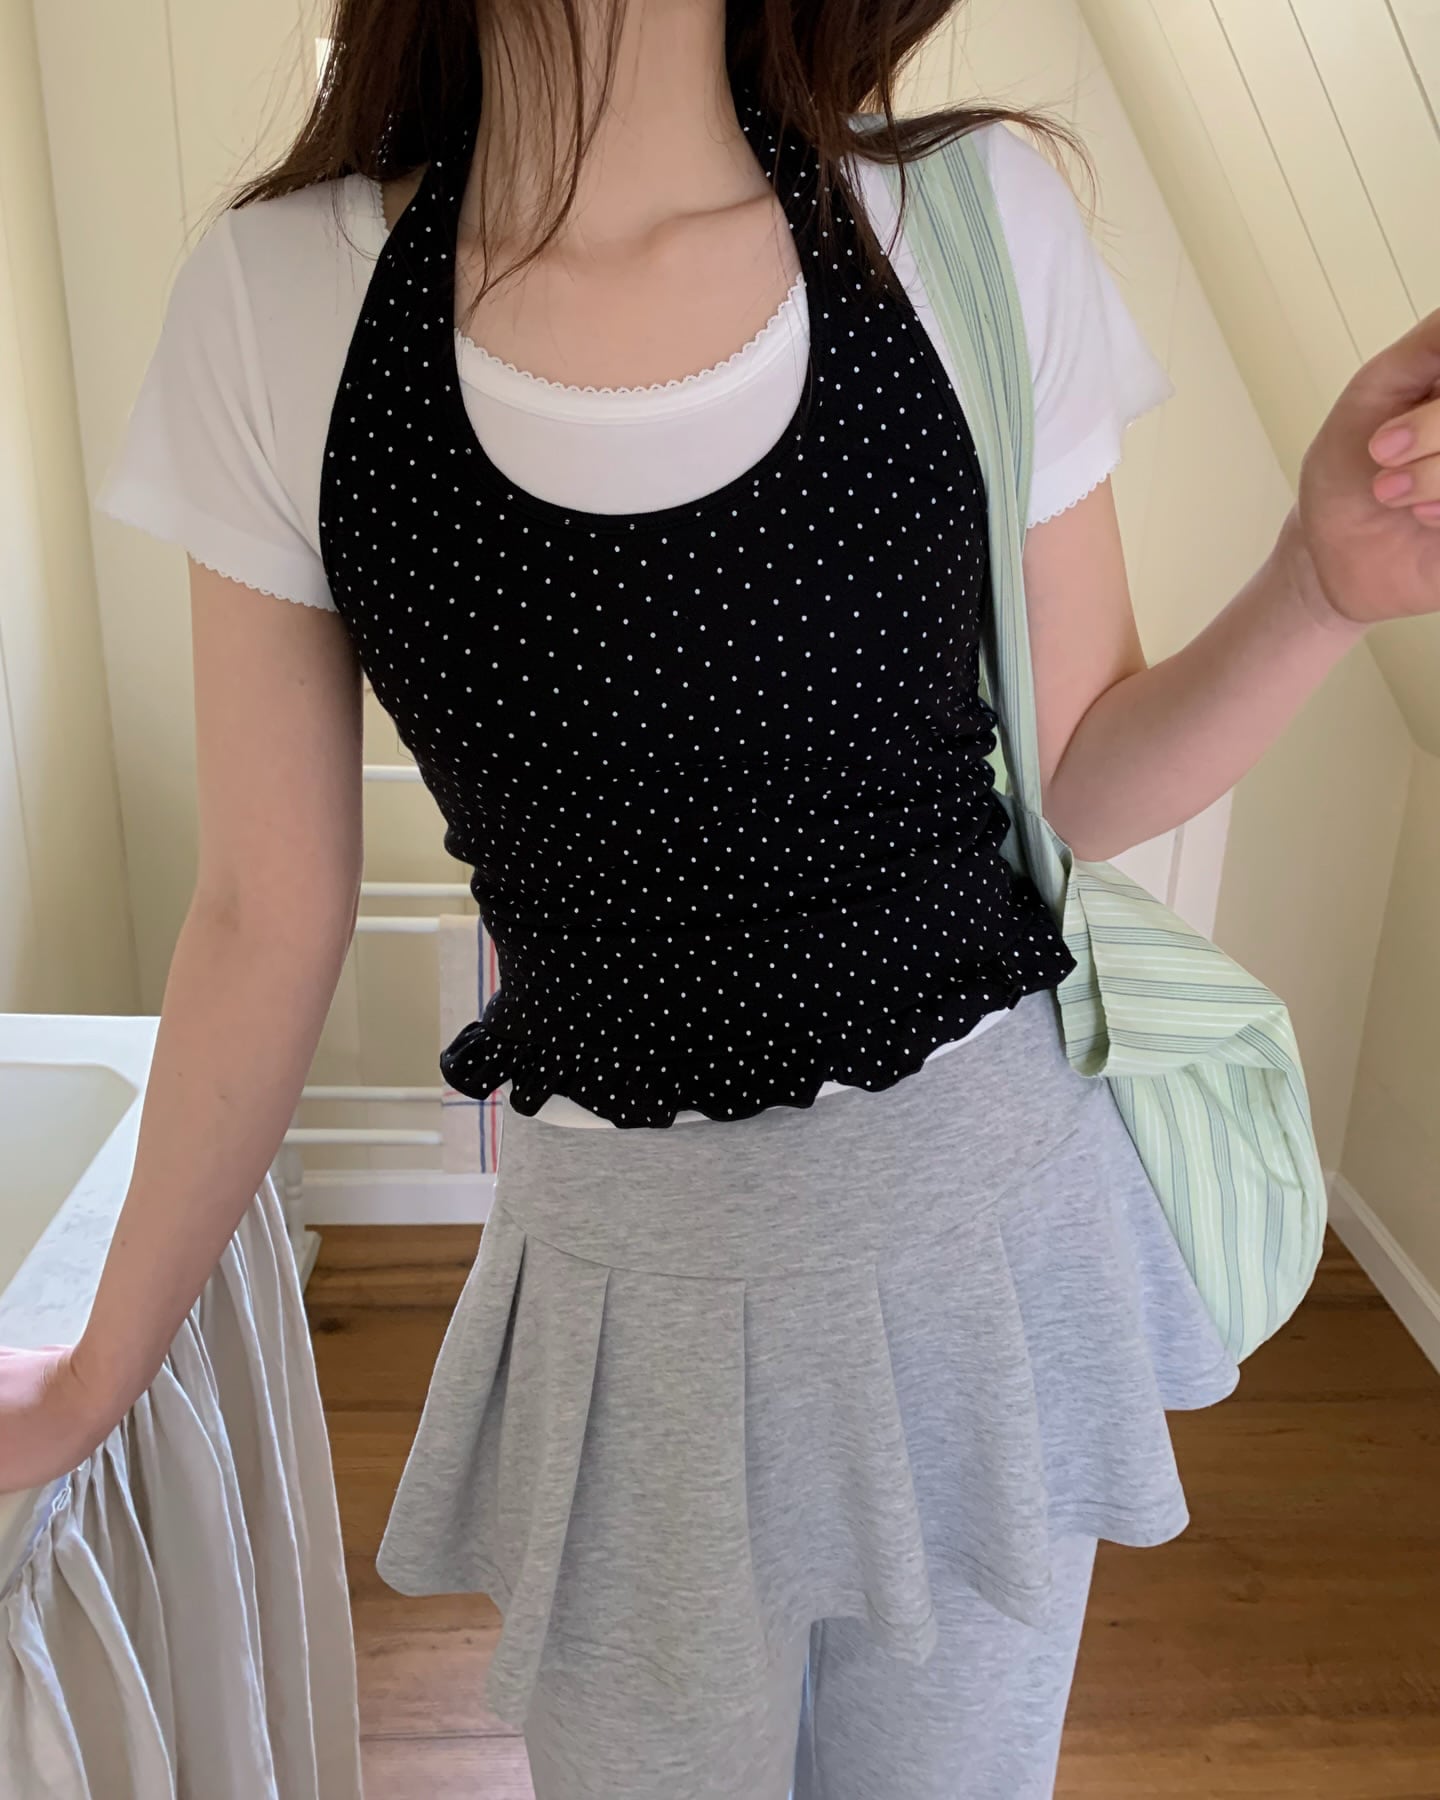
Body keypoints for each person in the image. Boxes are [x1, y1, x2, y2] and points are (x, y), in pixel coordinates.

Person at [3, 0, 1438, 1793]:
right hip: (635, 1323)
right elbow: (260, 916)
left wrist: (1319, 582)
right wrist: (95, 1373)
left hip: (988, 1258)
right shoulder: (280, 304)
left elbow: (1081, 768)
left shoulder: (967, 225)